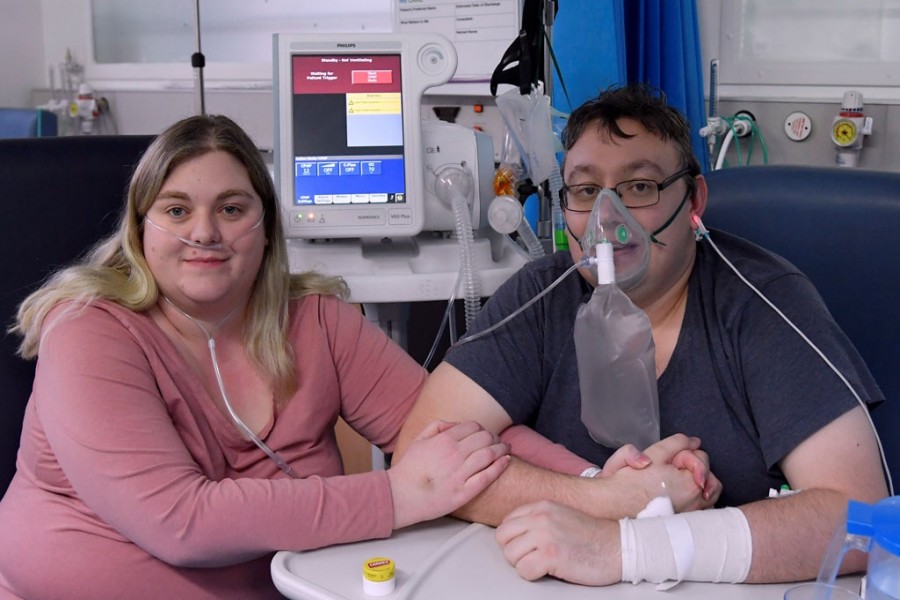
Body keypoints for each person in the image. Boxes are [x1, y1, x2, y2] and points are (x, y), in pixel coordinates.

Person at [0, 114, 514, 599]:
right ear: (140, 229)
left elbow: (464, 431)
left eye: (231, 209)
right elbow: (181, 523)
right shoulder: (87, 330)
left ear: (266, 229)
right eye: (176, 210)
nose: (203, 233)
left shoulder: (316, 322)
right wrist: (397, 495)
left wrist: (588, 490)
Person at [394, 83, 889, 586]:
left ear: (693, 199)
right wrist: (607, 502)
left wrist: (625, 548)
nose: (608, 220)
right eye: (586, 191)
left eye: (640, 186)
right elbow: (422, 462)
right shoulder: (542, 298)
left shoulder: (761, 304)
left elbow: (862, 520)